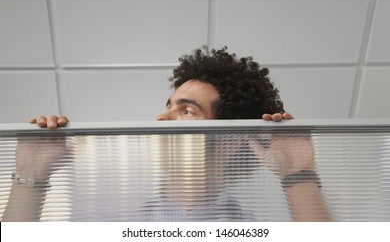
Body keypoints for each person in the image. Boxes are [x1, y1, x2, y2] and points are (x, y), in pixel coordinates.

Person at [2, 46, 331, 221]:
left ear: (231, 138)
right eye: (168, 106)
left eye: (186, 110)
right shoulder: (107, 222)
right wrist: (31, 176)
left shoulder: (256, 231)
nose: (161, 118)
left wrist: (297, 173)